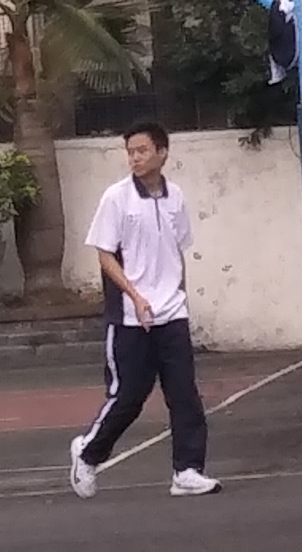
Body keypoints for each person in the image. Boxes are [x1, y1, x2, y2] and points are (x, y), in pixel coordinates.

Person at [68, 121, 217, 500]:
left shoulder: (175, 197)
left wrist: (179, 296)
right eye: (131, 152)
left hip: (172, 313)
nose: (135, 158)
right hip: (131, 318)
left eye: (142, 151)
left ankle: (187, 470)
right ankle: (88, 453)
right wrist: (135, 296)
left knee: (184, 395)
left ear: (162, 153)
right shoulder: (116, 198)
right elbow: (104, 254)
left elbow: (178, 250)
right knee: (129, 396)